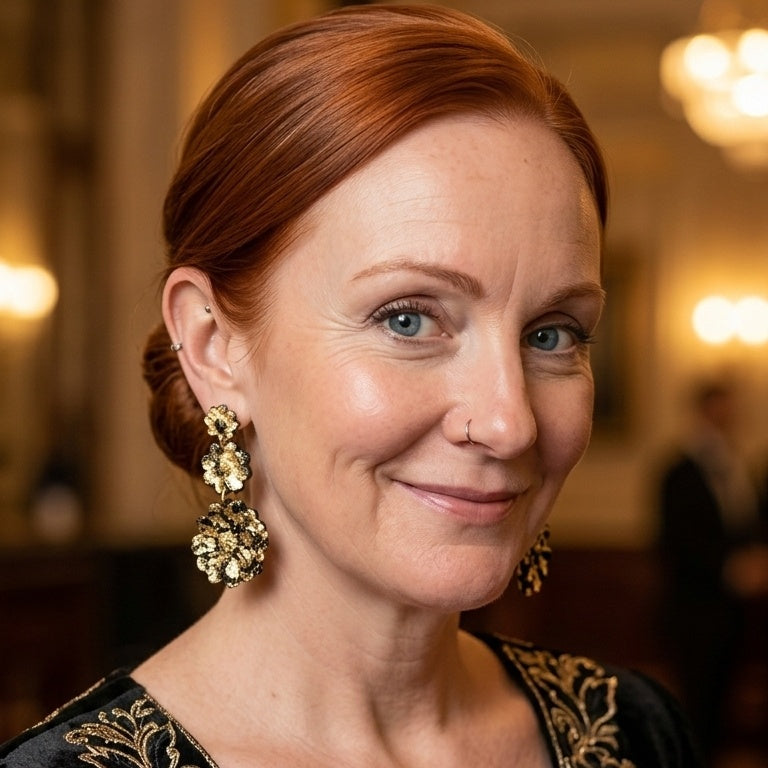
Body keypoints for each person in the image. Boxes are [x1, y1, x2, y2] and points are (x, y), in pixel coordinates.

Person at [1, 5, 700, 766]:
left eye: (551, 333)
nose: (511, 423)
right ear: (211, 346)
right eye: (408, 320)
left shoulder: (634, 732)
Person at [657, 378, 768, 763]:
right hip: (695, 609)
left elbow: (748, 524)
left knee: (725, 701)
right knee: (697, 700)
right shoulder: (679, 471)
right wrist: (727, 568)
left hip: (736, 610)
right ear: (703, 411)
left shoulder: (740, 466)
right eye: (720, 407)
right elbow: (676, 541)